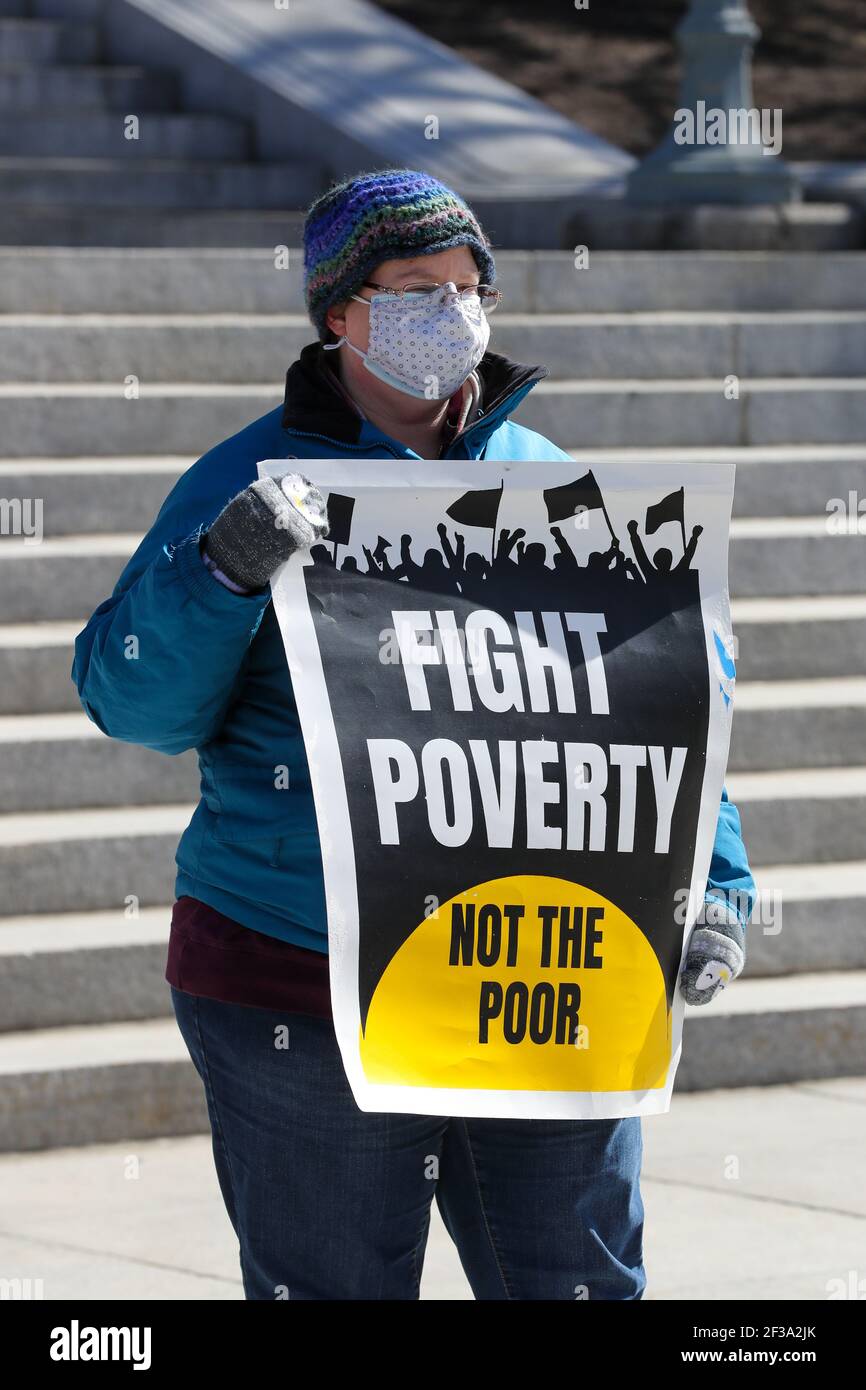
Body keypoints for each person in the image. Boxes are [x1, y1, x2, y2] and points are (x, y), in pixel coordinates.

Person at [72, 168, 756, 1301]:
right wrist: (220, 576)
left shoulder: (549, 483)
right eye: (413, 290)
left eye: (466, 285)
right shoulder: (242, 483)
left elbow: (649, 716)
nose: (451, 311)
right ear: (338, 314)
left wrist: (709, 881)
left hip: (539, 980)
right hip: (299, 985)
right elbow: (132, 704)